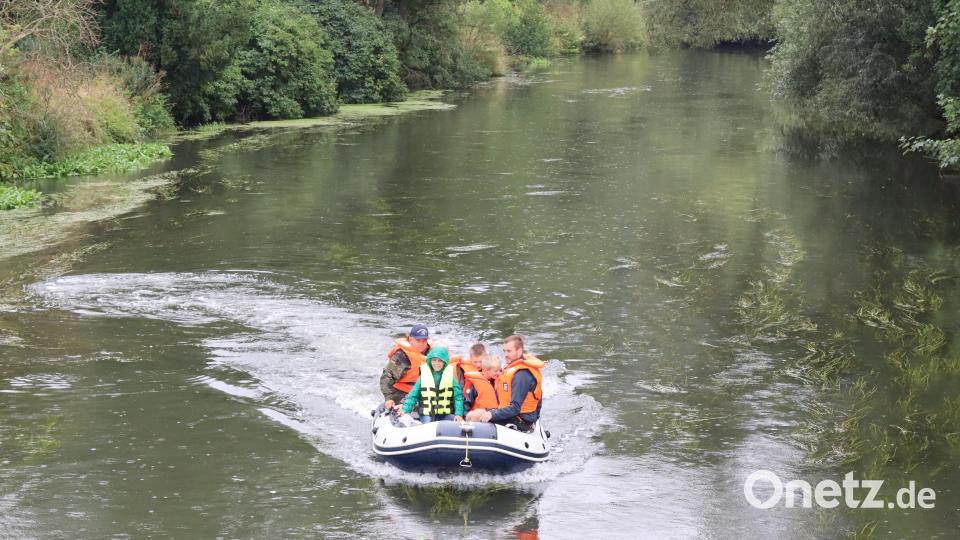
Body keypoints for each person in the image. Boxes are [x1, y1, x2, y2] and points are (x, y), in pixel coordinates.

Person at [465, 335, 543, 431]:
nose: (505, 354)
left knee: (476, 419)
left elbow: (515, 408)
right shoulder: (512, 368)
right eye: (504, 351)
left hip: (520, 420)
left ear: (519, 351)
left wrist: (491, 414)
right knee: (473, 415)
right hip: (511, 414)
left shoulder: (522, 375)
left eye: (509, 351)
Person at [397, 346, 464, 423]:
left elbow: (458, 397)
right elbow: (413, 394)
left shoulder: (450, 377)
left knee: (457, 422)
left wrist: (458, 414)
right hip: (427, 413)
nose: (437, 363)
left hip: (443, 414)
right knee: (427, 423)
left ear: (444, 362)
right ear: (430, 360)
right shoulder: (423, 376)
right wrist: (405, 409)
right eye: (434, 360)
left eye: (440, 361)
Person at [380, 324, 431, 409]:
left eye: (424, 340)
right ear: (411, 339)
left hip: (424, 392)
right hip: (402, 392)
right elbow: (386, 377)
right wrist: (388, 398)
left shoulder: (433, 354)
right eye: (418, 340)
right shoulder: (401, 356)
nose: (422, 343)